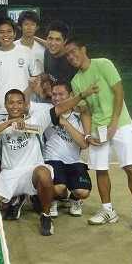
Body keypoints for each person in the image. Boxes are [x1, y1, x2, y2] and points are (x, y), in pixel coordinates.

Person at [0, 84, 97, 236]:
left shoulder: (37, 120)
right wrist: (8, 123)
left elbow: (60, 108)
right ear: (5, 105)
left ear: (25, 105)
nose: (15, 106)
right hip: (9, 175)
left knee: (44, 172)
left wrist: (82, 95)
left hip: (32, 172)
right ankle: (18, 198)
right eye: (11, 103)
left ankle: (46, 216)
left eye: (19, 103)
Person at [65, 37, 132, 232]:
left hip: (121, 124)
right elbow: (85, 111)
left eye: (73, 51)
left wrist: (114, 122)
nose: (71, 57)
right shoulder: (76, 81)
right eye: (67, 55)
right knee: (101, 170)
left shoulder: (103, 64)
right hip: (98, 129)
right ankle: (108, 210)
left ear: (83, 49)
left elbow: (119, 92)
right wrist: (87, 135)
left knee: (130, 167)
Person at [0, 17, 42, 172]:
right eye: (1, 32)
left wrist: (27, 96)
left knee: (26, 152)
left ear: (15, 33)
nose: (5, 35)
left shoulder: (27, 53)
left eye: (9, 31)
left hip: (25, 112)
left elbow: (36, 79)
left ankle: (26, 185)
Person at [42, 80, 93, 218]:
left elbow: (84, 144)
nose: (57, 98)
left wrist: (65, 124)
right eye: (54, 94)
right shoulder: (47, 112)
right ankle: (54, 199)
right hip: (52, 159)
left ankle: (74, 200)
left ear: (70, 95)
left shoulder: (79, 116)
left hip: (74, 161)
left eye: (61, 94)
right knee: (59, 189)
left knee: (83, 192)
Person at [42, 20, 77, 85]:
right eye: (50, 38)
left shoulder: (72, 62)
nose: (53, 43)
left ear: (65, 41)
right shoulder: (47, 52)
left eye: (58, 39)